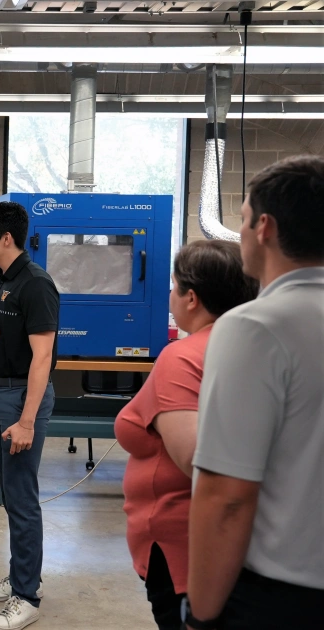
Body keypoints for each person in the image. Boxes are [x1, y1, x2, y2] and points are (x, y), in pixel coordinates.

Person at [185, 155, 324, 630]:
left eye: (240, 221)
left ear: (264, 227)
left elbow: (226, 494)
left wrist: (200, 614)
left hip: (285, 597)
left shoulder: (255, 328)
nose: (238, 232)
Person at [114, 241, 258, 630]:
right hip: (235, 544)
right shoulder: (252, 346)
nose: (169, 294)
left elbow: (199, 463)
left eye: (174, 286)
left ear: (191, 297)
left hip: (184, 547)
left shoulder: (182, 357)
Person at [0, 201, 59, 630]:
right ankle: (20, 575)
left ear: (7, 238)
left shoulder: (37, 285)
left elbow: (42, 358)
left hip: (23, 399)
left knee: (22, 500)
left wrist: (26, 420)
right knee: (9, 494)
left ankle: (27, 595)